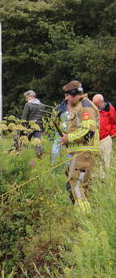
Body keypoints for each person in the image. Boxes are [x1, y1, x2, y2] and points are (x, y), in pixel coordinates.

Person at [60, 81, 100, 212]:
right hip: (80, 153)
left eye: (68, 95)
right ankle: (84, 213)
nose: (66, 98)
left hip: (84, 153)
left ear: (75, 94)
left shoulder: (85, 107)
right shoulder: (79, 106)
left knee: (77, 185)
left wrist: (68, 138)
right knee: (75, 184)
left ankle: (84, 216)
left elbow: (89, 131)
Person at [92, 93, 114, 174]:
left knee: (105, 160)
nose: (96, 107)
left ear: (102, 102)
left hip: (105, 138)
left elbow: (114, 122)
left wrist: (111, 134)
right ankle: (95, 178)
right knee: (95, 160)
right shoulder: (91, 109)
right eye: (94, 104)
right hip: (94, 138)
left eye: (97, 105)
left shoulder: (110, 109)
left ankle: (104, 180)